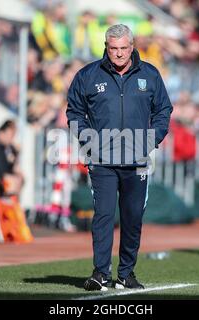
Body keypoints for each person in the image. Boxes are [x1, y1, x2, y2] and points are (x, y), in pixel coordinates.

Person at [66, 24, 172, 291]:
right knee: (102, 216)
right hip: (102, 161)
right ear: (106, 47)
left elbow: (164, 110)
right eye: (113, 49)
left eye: (124, 48)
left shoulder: (150, 74)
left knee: (133, 216)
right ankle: (101, 273)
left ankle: (126, 274)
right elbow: (75, 112)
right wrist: (88, 140)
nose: (119, 54)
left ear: (132, 47)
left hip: (137, 161)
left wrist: (151, 139)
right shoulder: (88, 75)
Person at [0, 120, 24, 195]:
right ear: (5, 131)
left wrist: (16, 154)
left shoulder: (4, 147)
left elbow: (9, 167)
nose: (12, 139)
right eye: (12, 135)